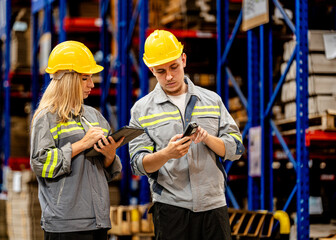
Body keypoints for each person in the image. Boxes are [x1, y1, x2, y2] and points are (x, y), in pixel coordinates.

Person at [129, 30, 245, 240]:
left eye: (174, 66)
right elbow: (138, 164)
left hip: (213, 205)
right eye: (160, 71)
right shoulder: (142, 110)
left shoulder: (212, 100)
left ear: (183, 59)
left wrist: (208, 138)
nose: (170, 76)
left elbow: (236, 147)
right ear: (151, 69)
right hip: (171, 209)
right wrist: (167, 154)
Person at [30, 41, 123, 240]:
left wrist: (109, 155)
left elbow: (107, 171)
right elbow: (40, 163)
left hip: (97, 220)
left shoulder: (94, 116)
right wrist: (82, 144)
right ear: (68, 80)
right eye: (84, 78)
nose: (92, 84)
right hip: (65, 223)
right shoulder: (46, 118)